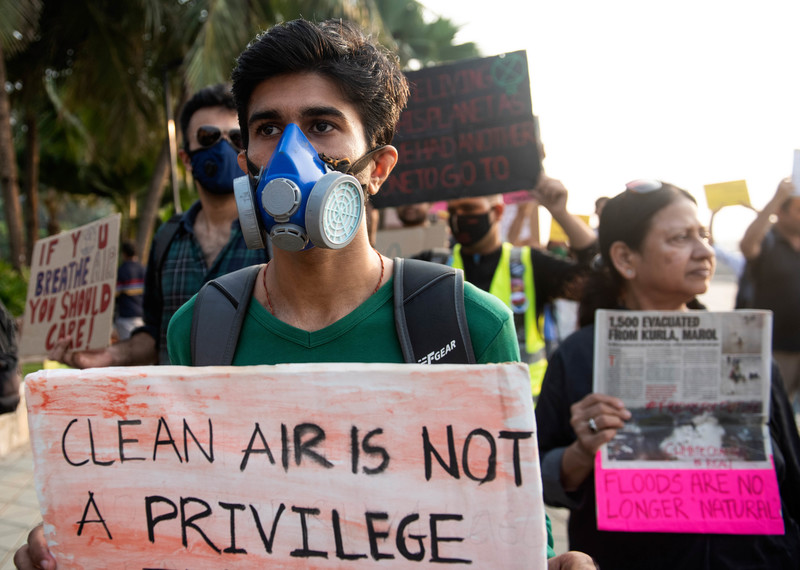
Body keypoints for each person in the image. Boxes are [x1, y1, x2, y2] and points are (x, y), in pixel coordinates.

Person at [16, 18, 595, 570]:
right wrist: (81, 537)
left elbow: (511, 529)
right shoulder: (201, 327)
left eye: (321, 124)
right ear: (247, 165)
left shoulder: (465, 323)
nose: (291, 151)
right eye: (268, 129)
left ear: (378, 167)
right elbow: (184, 515)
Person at [535, 179, 800, 569]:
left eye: (704, 235)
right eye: (680, 238)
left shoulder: (744, 348)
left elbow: (790, 474)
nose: (704, 251)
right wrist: (581, 452)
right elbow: (536, 478)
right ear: (626, 258)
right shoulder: (579, 357)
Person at [46, 84, 269, 367]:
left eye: (236, 138)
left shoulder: (274, 234)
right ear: (186, 158)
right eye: (208, 136)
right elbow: (154, 336)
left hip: (248, 408)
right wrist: (108, 355)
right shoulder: (167, 238)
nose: (223, 147)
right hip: (177, 411)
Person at [444, 175, 598, 399]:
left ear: (497, 212)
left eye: (468, 209)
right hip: (455, 405)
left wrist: (560, 213)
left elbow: (593, 277)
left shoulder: (530, 264)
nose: (458, 219)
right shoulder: (432, 264)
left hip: (523, 411)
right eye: (452, 212)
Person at [740, 178, 800, 402]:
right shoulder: (769, 242)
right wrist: (777, 197)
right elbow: (747, 245)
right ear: (780, 212)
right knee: (775, 412)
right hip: (775, 350)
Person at [114, 241, 145, 340]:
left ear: (124, 254)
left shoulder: (122, 271)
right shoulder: (143, 269)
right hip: (142, 317)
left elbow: (115, 294)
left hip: (126, 318)